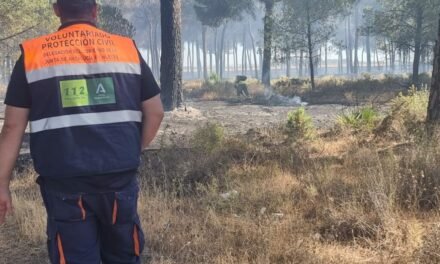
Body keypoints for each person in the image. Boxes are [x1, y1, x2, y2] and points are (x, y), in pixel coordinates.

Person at [0, 0, 164, 263]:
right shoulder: (126, 50)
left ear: (57, 10)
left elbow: (12, 126)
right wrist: (133, 148)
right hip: (119, 181)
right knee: (124, 255)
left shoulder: (33, 55)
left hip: (66, 185)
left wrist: (2, 183)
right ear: (95, 9)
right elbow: (155, 112)